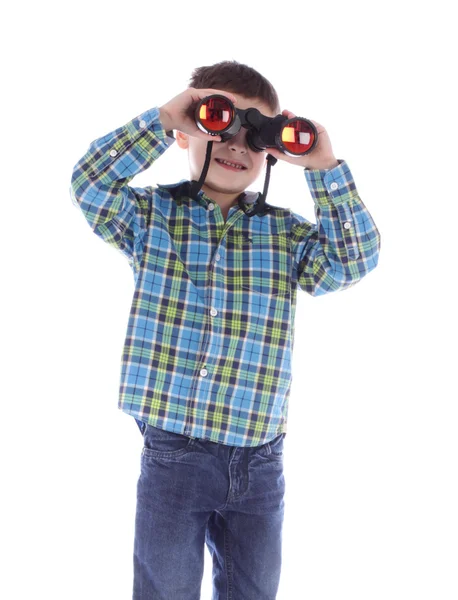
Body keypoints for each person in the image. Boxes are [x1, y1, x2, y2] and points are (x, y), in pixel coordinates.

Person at [69, 59, 381, 600]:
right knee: (164, 588)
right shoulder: (150, 218)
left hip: (260, 458)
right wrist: (164, 116)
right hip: (174, 448)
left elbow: (353, 260)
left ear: (271, 150)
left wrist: (324, 166)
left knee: (254, 591)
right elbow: (89, 183)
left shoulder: (283, 235)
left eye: (254, 136)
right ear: (191, 132)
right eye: (221, 125)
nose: (238, 145)